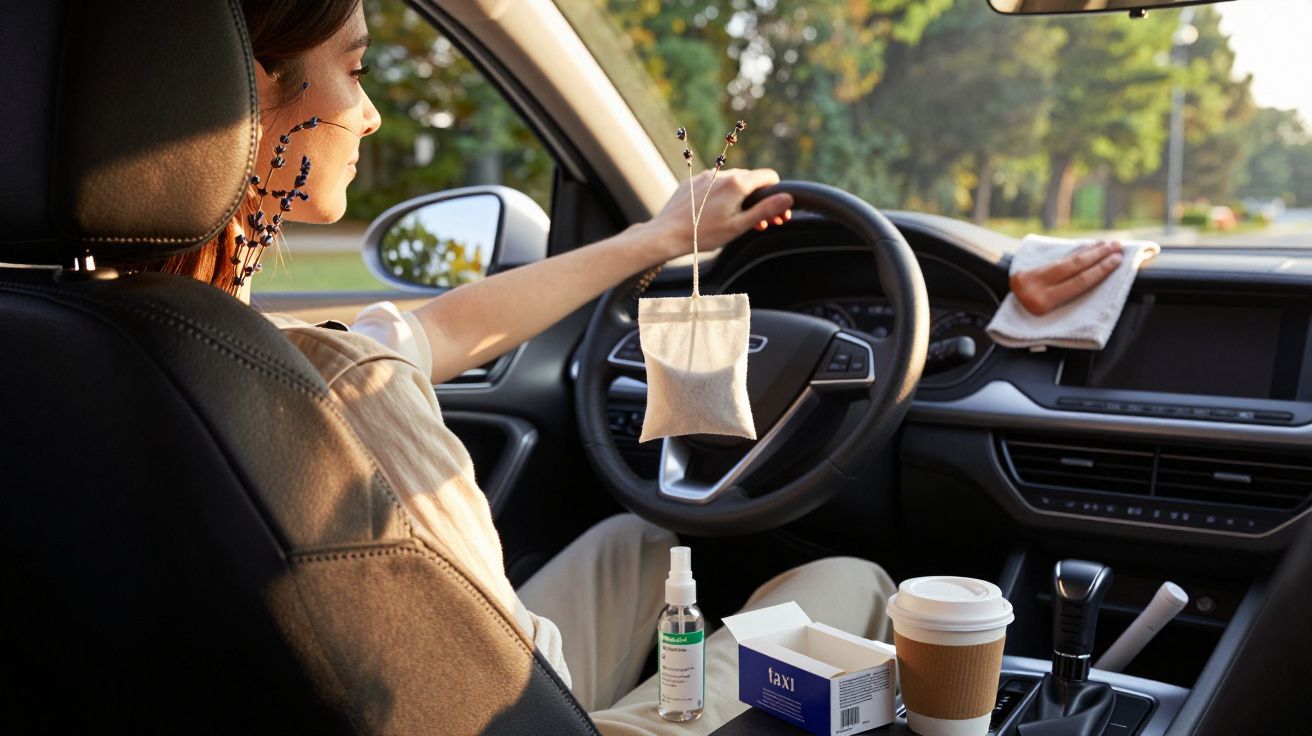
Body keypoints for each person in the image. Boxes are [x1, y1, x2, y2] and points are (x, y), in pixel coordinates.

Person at [125, 2, 898, 734]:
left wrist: (663, 236)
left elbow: (434, 330)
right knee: (854, 584)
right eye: (357, 72)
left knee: (642, 543)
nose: (371, 113)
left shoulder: (111, 338)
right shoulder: (345, 385)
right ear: (251, 90)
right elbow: (529, 683)